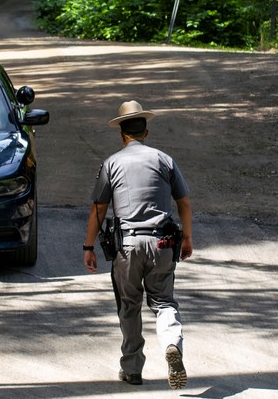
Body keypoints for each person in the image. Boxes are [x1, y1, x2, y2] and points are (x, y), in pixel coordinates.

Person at [82, 100, 194, 390]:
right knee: (164, 301)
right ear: (145, 132)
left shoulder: (112, 163)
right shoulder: (165, 160)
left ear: (122, 134)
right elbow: (183, 202)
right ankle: (172, 344)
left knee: (129, 305)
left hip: (127, 246)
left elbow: (99, 208)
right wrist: (189, 238)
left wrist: (88, 246)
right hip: (163, 243)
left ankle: (132, 369)